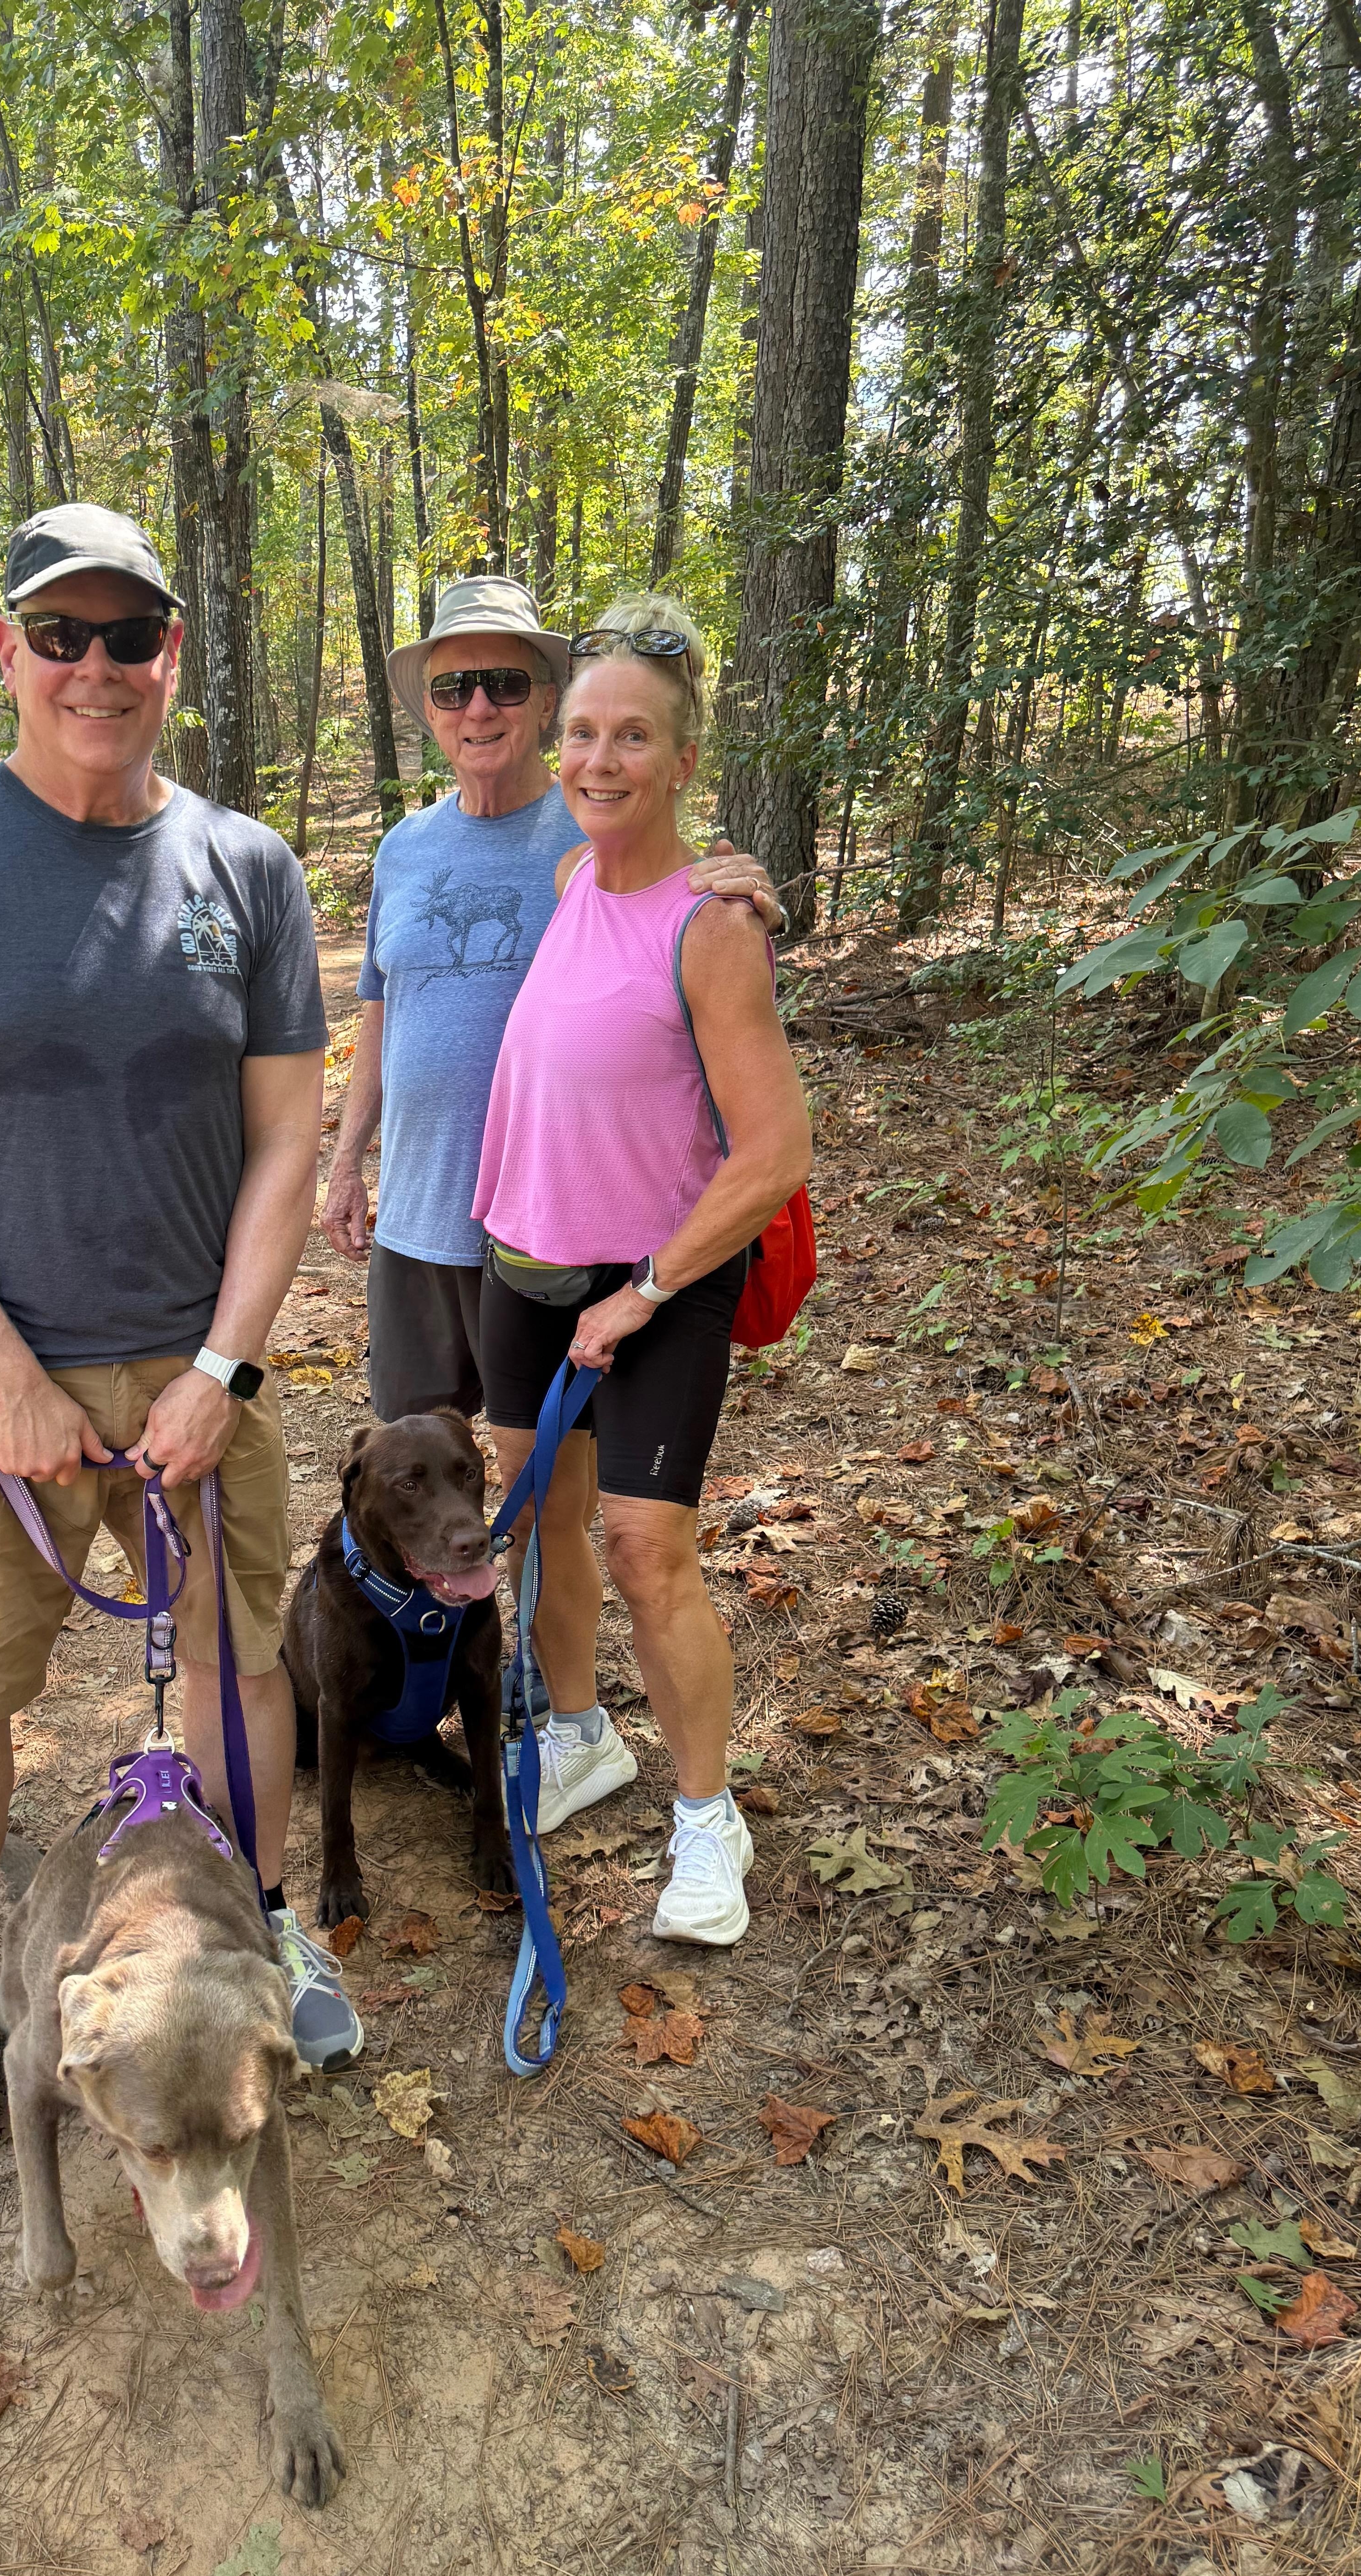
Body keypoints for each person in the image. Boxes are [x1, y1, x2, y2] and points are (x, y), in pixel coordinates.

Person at [0, 503, 363, 2163]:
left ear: (171, 658)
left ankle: (260, 1923)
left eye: (126, 636)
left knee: (238, 1667)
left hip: (191, 1367)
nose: (93, 667)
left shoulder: (245, 869)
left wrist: (222, 1367)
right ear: (7, 652)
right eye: (58, 635)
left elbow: (288, 1133)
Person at [320, 575, 781, 1833]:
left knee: (593, 1523)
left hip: (583, 1241)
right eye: (451, 684)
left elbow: (681, 911)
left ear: (539, 699)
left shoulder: (589, 845)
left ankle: (641, 1773)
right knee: (454, 1500)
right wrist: (344, 1156)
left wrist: (742, 883)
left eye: (506, 684)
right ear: (423, 703)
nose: (479, 706)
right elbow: (381, 1011)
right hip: (442, 1226)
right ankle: (446, 1697)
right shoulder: (425, 850)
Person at [471, 592, 812, 1947]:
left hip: (655, 1276)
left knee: (645, 1549)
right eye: (580, 734)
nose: (596, 761)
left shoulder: (714, 925)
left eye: (631, 739)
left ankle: (704, 1820)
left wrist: (648, 1289)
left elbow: (772, 1152)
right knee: (539, 1513)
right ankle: (575, 1735)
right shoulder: (567, 878)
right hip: (525, 1260)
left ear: (682, 763)